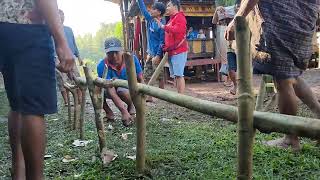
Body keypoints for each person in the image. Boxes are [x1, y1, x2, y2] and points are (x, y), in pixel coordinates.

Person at [225, 0, 320, 150]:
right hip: (305, 20)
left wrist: (238, 18)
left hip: (281, 21)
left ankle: (290, 139)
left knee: (283, 80)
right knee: (292, 76)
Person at [0, 0, 74, 179]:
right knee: (33, 108)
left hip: (4, 28)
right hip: (28, 26)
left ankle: (18, 172)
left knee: (17, 104)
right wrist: (61, 41)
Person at [97, 37, 144, 127]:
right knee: (97, 88)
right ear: (106, 53)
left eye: (116, 52)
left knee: (122, 90)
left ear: (121, 51)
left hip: (129, 89)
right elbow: (111, 90)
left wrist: (142, 96)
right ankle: (109, 113)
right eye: (110, 53)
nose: (114, 56)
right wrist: (123, 111)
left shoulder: (132, 59)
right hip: (110, 90)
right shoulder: (102, 65)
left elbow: (140, 78)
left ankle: (131, 105)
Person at [156, 0, 188, 94]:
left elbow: (178, 30)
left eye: (169, 6)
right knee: (176, 75)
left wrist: (163, 27)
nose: (167, 8)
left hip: (178, 51)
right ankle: (178, 96)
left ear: (175, 6)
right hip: (172, 51)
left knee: (179, 75)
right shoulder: (171, 19)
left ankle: (181, 97)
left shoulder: (180, 17)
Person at [137, 0, 166, 102]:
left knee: (159, 75)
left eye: (153, 9)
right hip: (150, 53)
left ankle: (163, 96)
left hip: (158, 54)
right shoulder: (150, 20)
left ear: (159, 12)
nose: (151, 10)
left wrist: (158, 55)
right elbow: (143, 10)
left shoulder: (162, 24)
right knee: (146, 74)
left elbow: (162, 42)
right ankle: (149, 97)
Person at [56, 9, 83, 106]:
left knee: (76, 78)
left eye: (62, 15)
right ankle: (67, 102)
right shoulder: (53, 30)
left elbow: (74, 44)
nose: (61, 17)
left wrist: (79, 56)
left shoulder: (69, 29)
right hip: (58, 58)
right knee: (62, 80)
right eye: (59, 15)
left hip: (71, 57)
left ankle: (80, 99)